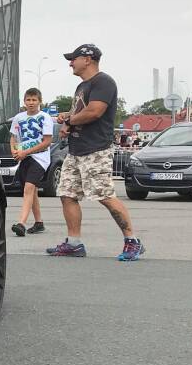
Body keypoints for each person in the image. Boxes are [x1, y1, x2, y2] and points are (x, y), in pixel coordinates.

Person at [46, 44, 144, 261]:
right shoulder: (82, 87)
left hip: (96, 150)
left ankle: (132, 241)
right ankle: (74, 244)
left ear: (87, 59)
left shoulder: (103, 82)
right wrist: (67, 118)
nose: (71, 63)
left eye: (74, 59)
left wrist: (70, 119)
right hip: (76, 150)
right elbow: (79, 112)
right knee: (67, 194)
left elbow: (94, 112)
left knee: (105, 196)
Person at [9, 87, 53, 236]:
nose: (31, 102)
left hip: (40, 158)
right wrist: (14, 150)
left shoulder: (45, 117)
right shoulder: (18, 117)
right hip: (24, 158)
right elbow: (13, 137)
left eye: (34, 100)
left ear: (40, 101)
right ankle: (39, 223)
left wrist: (25, 152)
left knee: (28, 188)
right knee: (32, 191)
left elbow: (47, 141)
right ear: (24, 101)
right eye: (28, 99)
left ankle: (21, 223)